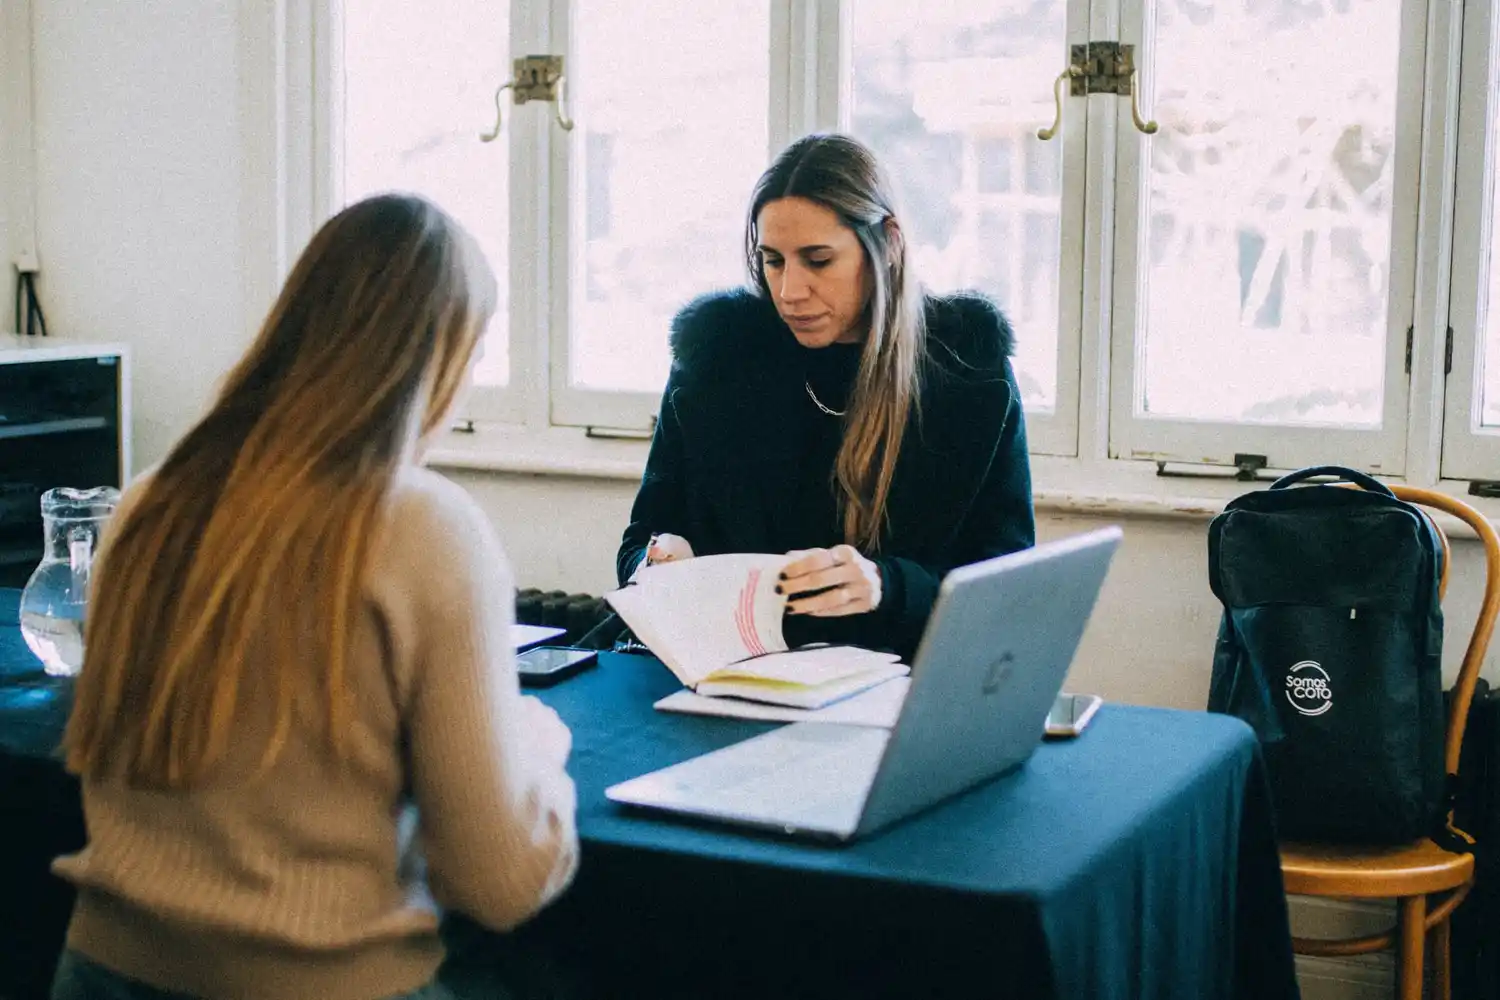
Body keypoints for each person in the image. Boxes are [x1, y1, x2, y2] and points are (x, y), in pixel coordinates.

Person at [50, 194, 579, 1000]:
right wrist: (540, 755)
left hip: (103, 973)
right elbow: (497, 885)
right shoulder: (426, 528)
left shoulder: (146, 505)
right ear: (440, 358)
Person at [617, 133, 1035, 661]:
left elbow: (1007, 589)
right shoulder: (714, 363)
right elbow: (639, 542)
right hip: (725, 682)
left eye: (817, 260)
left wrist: (888, 587)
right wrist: (657, 566)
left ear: (888, 244)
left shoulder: (970, 375)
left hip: (898, 692)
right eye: (772, 261)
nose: (790, 290)